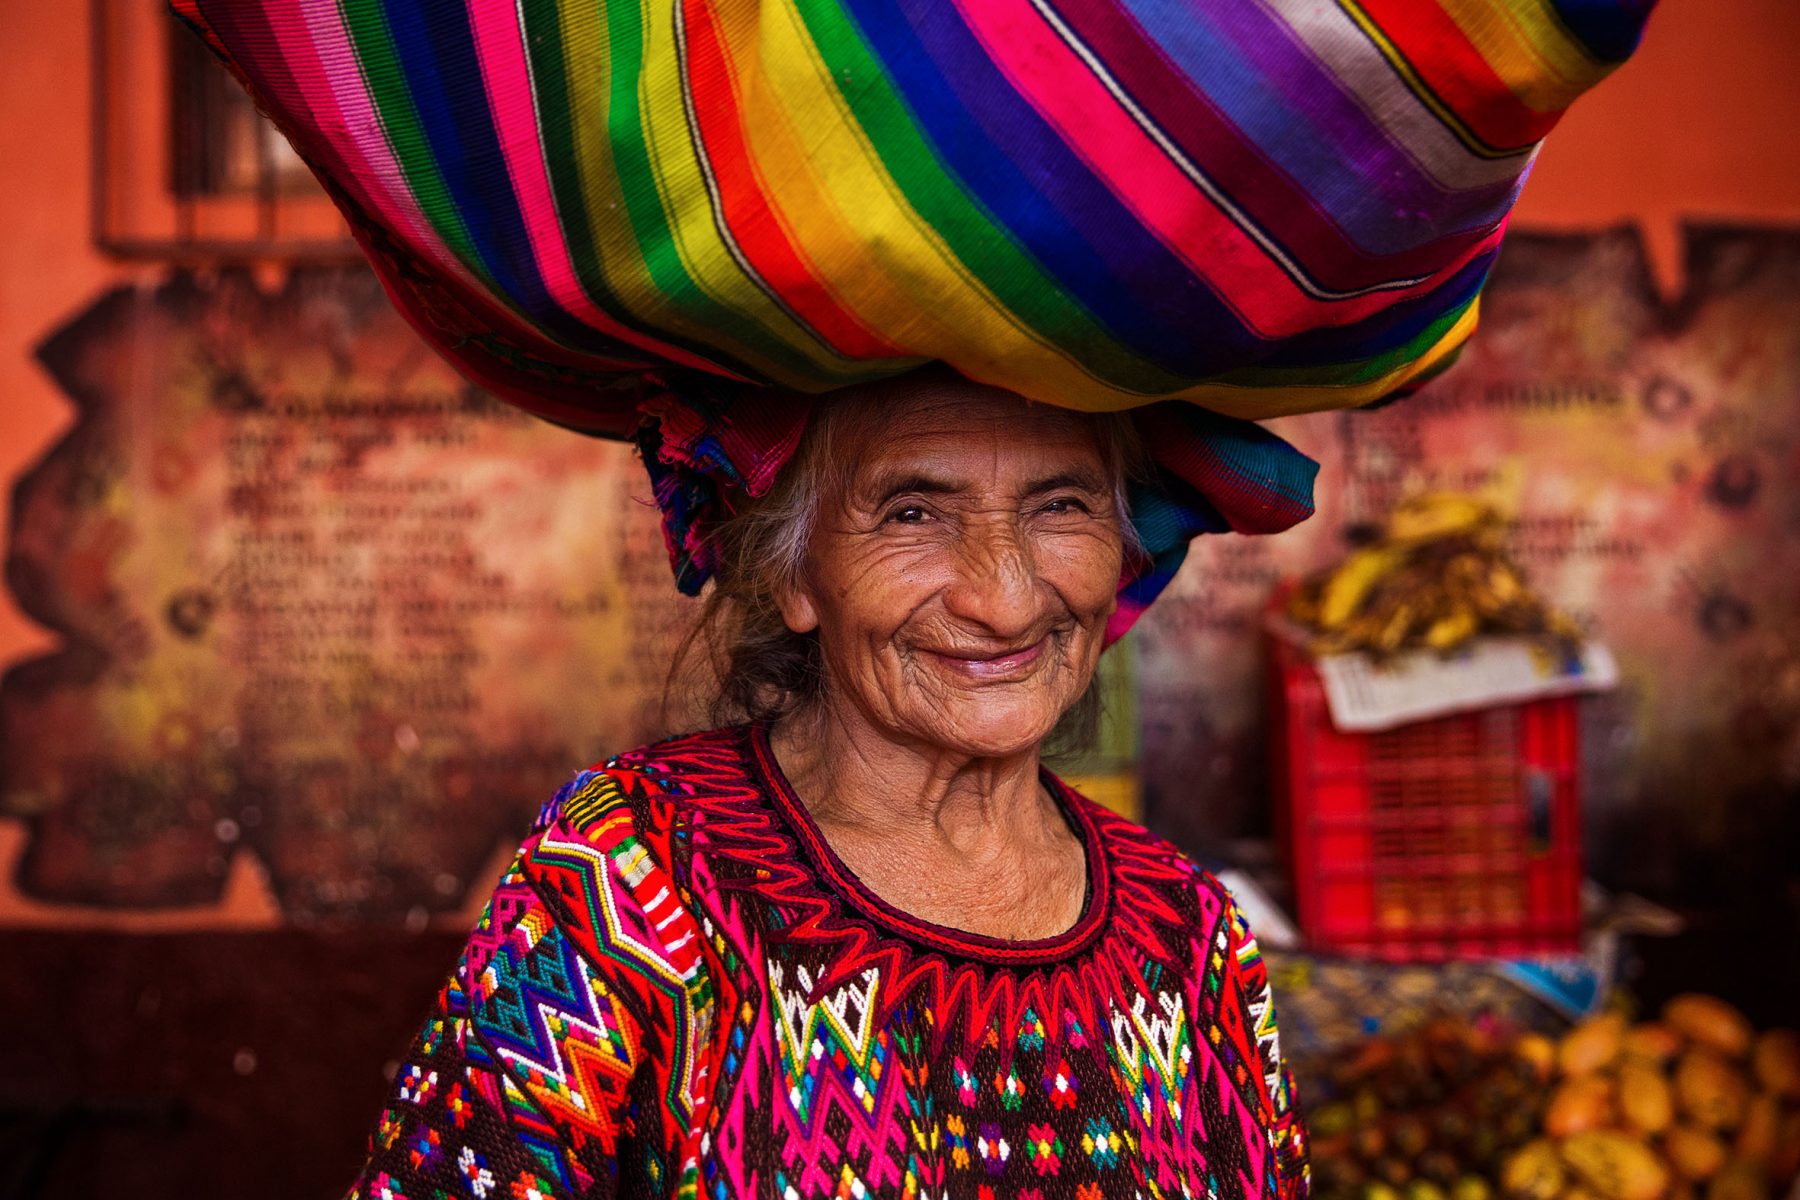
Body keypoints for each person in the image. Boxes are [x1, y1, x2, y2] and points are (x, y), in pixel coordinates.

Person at [345, 371, 1310, 1199]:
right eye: (913, 514)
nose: (1005, 596)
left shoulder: (1185, 932)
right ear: (795, 573)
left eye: (1061, 506)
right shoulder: (633, 874)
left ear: (1119, 557)